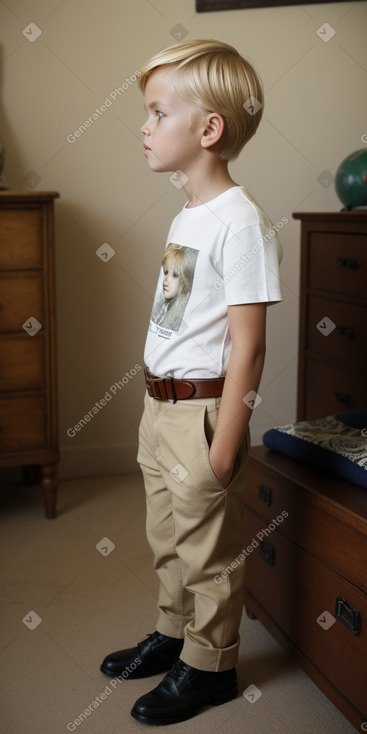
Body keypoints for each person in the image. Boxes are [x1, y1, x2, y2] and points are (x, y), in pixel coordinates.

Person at [100, 38, 283, 726]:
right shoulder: (186, 216)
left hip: (204, 413)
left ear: (207, 130)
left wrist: (225, 440)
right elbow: (174, 316)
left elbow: (249, 346)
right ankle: (173, 634)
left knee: (208, 550)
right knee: (167, 538)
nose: (143, 127)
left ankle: (211, 666)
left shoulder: (242, 222)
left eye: (155, 112)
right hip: (162, 409)